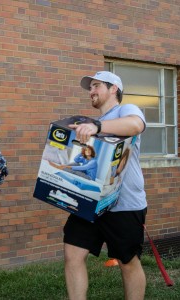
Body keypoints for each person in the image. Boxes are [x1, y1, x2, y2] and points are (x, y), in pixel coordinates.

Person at [63, 71, 147, 300]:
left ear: (113, 89)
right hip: (90, 202)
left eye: (96, 85)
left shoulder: (126, 110)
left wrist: (97, 127)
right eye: (90, 87)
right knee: (72, 253)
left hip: (124, 204)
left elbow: (135, 125)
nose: (91, 91)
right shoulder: (87, 124)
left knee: (127, 262)